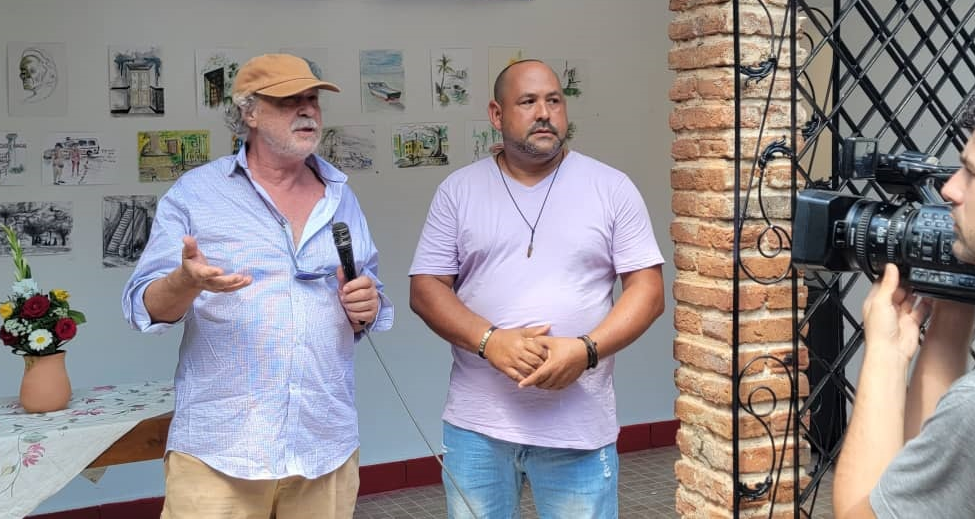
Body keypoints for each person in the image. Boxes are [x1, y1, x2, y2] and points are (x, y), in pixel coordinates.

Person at [122, 53, 393, 519]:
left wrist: (366, 304)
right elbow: (143, 307)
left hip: (322, 442)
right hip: (222, 446)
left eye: (312, 99)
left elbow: (368, 299)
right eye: (289, 100)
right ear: (249, 112)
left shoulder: (341, 195)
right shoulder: (196, 193)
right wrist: (184, 282)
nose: (307, 110)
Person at [409, 59, 665, 519]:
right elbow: (426, 288)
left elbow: (648, 290)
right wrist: (490, 341)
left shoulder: (611, 187)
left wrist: (586, 350)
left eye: (554, 100)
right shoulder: (458, 191)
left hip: (578, 430)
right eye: (527, 101)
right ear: (496, 114)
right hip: (479, 429)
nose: (544, 112)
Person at [833, 85, 975, 519]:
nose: (950, 190)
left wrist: (885, 356)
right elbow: (928, 485)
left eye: (971, 173)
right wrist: (955, 298)